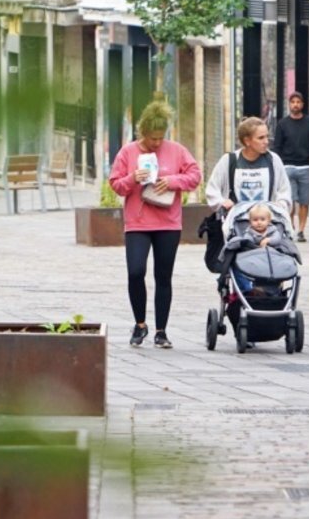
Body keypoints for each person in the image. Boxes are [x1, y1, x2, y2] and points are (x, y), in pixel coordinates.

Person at [109, 100, 202, 349]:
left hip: (168, 223)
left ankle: (161, 331)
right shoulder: (128, 153)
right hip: (137, 223)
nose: (157, 143)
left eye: (161, 138)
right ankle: (140, 325)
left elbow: (195, 176)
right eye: (152, 139)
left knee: (164, 276)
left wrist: (172, 181)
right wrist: (132, 178)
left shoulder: (177, 150)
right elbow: (115, 183)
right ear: (143, 133)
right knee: (136, 271)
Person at [206, 117, 292, 215]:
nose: (266, 141)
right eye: (261, 138)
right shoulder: (229, 160)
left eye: (267, 136)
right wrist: (222, 202)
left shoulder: (273, 160)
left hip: (267, 225)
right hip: (236, 225)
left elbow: (284, 190)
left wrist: (279, 206)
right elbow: (212, 189)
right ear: (247, 141)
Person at [273, 92, 309, 242]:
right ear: (289, 104)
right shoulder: (283, 124)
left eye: (298, 102)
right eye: (292, 102)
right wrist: (277, 165)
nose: (295, 104)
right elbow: (277, 146)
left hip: (305, 167)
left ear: (302, 104)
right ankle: (290, 227)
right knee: (289, 200)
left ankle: (301, 230)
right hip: (287, 166)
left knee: (304, 201)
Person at [221, 203, 290, 294]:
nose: (259, 222)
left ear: (269, 221)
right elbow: (247, 241)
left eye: (262, 219)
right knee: (237, 267)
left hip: (270, 260)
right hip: (253, 259)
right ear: (250, 222)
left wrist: (268, 240)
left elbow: (277, 239)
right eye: (255, 220)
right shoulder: (249, 232)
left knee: (277, 269)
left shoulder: (273, 230)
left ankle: (272, 291)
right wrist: (251, 243)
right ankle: (248, 290)